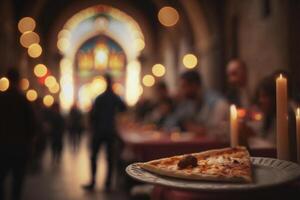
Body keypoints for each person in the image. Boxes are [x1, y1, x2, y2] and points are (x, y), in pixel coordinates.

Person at [83, 74, 127, 191]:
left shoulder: (99, 98)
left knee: (94, 156)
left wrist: (91, 128)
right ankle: (108, 184)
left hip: (98, 131)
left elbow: (92, 115)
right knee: (110, 158)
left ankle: (93, 181)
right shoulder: (115, 97)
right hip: (110, 131)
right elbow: (124, 108)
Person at [0, 68, 36, 200]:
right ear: (19, 80)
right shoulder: (23, 101)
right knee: (18, 181)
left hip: (2, 146)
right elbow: (32, 125)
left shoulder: (1, 99)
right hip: (20, 147)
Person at [164, 70, 228, 136]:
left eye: (184, 86)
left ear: (194, 85)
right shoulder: (189, 102)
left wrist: (192, 127)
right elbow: (169, 124)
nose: (181, 91)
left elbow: (213, 131)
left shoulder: (218, 103)